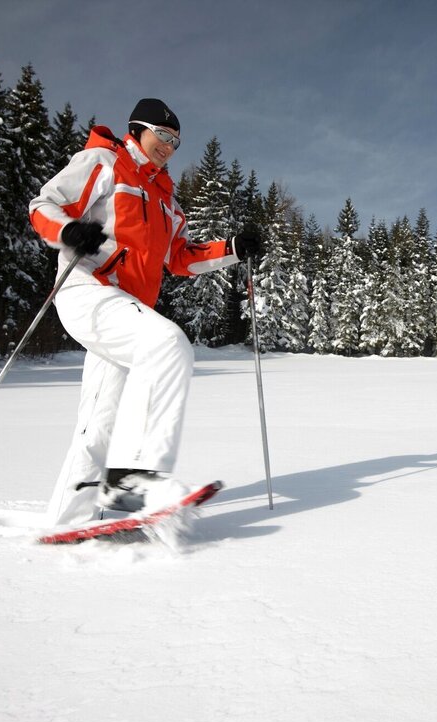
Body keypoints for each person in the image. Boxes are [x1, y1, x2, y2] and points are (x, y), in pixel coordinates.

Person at [29, 98, 262, 526]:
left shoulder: (167, 200)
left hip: (126, 308)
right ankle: (135, 480)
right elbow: (42, 205)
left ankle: (68, 519)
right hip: (89, 288)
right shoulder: (104, 161)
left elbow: (179, 258)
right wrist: (69, 230)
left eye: (176, 141)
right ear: (138, 129)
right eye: (163, 135)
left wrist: (230, 249)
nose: (169, 146)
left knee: (98, 423)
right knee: (168, 344)